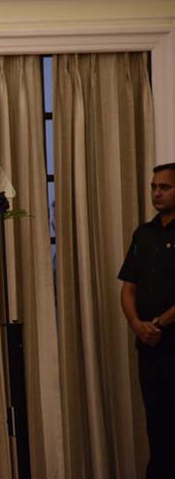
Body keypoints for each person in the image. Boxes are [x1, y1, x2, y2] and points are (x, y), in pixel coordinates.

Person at [119, 162, 175, 479]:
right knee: (156, 424)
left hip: (171, 342)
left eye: (164, 187)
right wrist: (138, 325)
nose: (156, 192)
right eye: (154, 187)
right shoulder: (144, 233)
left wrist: (158, 324)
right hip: (149, 348)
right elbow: (128, 287)